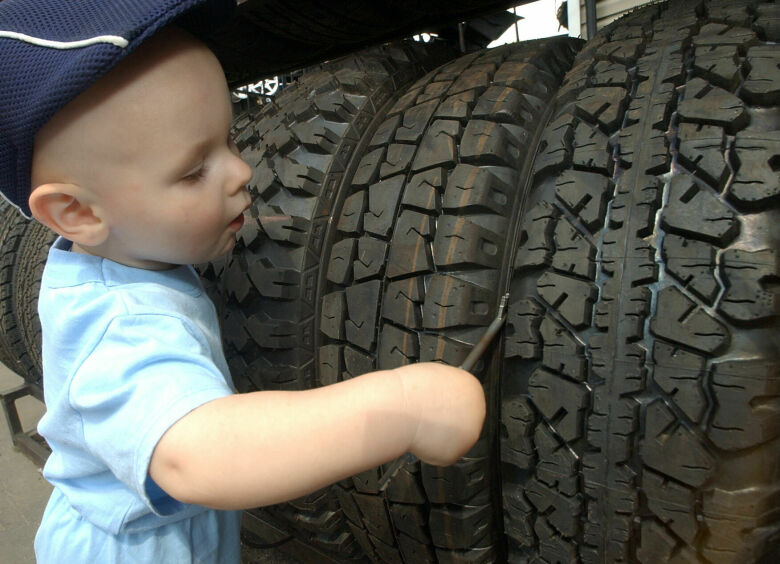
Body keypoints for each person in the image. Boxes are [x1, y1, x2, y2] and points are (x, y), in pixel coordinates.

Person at [0, 5, 486, 564]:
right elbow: (197, 456)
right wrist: (406, 407)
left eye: (229, 140)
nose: (241, 172)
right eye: (192, 171)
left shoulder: (113, 254)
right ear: (77, 211)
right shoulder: (122, 330)